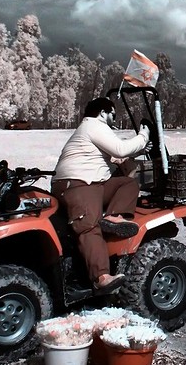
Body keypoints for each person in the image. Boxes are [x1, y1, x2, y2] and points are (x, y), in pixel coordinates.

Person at [52, 97, 150, 295]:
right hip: (79, 184)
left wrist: (138, 148)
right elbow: (120, 149)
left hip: (89, 182)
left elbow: (115, 155)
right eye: (113, 114)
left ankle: (115, 216)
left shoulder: (87, 130)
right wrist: (144, 135)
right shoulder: (94, 125)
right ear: (103, 113)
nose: (114, 118)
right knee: (88, 225)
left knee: (128, 184)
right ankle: (101, 277)